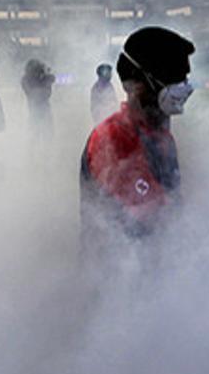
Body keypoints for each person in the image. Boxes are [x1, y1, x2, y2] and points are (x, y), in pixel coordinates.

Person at [80, 27, 195, 259]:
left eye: (185, 78)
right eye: (174, 77)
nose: (183, 87)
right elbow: (152, 223)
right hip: (124, 284)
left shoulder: (160, 135)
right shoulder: (114, 138)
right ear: (136, 84)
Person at [20, 58, 55, 137]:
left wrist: (45, 79)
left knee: (46, 134)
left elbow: (46, 93)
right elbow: (36, 94)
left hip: (44, 112)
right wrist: (46, 81)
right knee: (35, 133)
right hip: (35, 112)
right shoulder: (27, 81)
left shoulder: (41, 80)